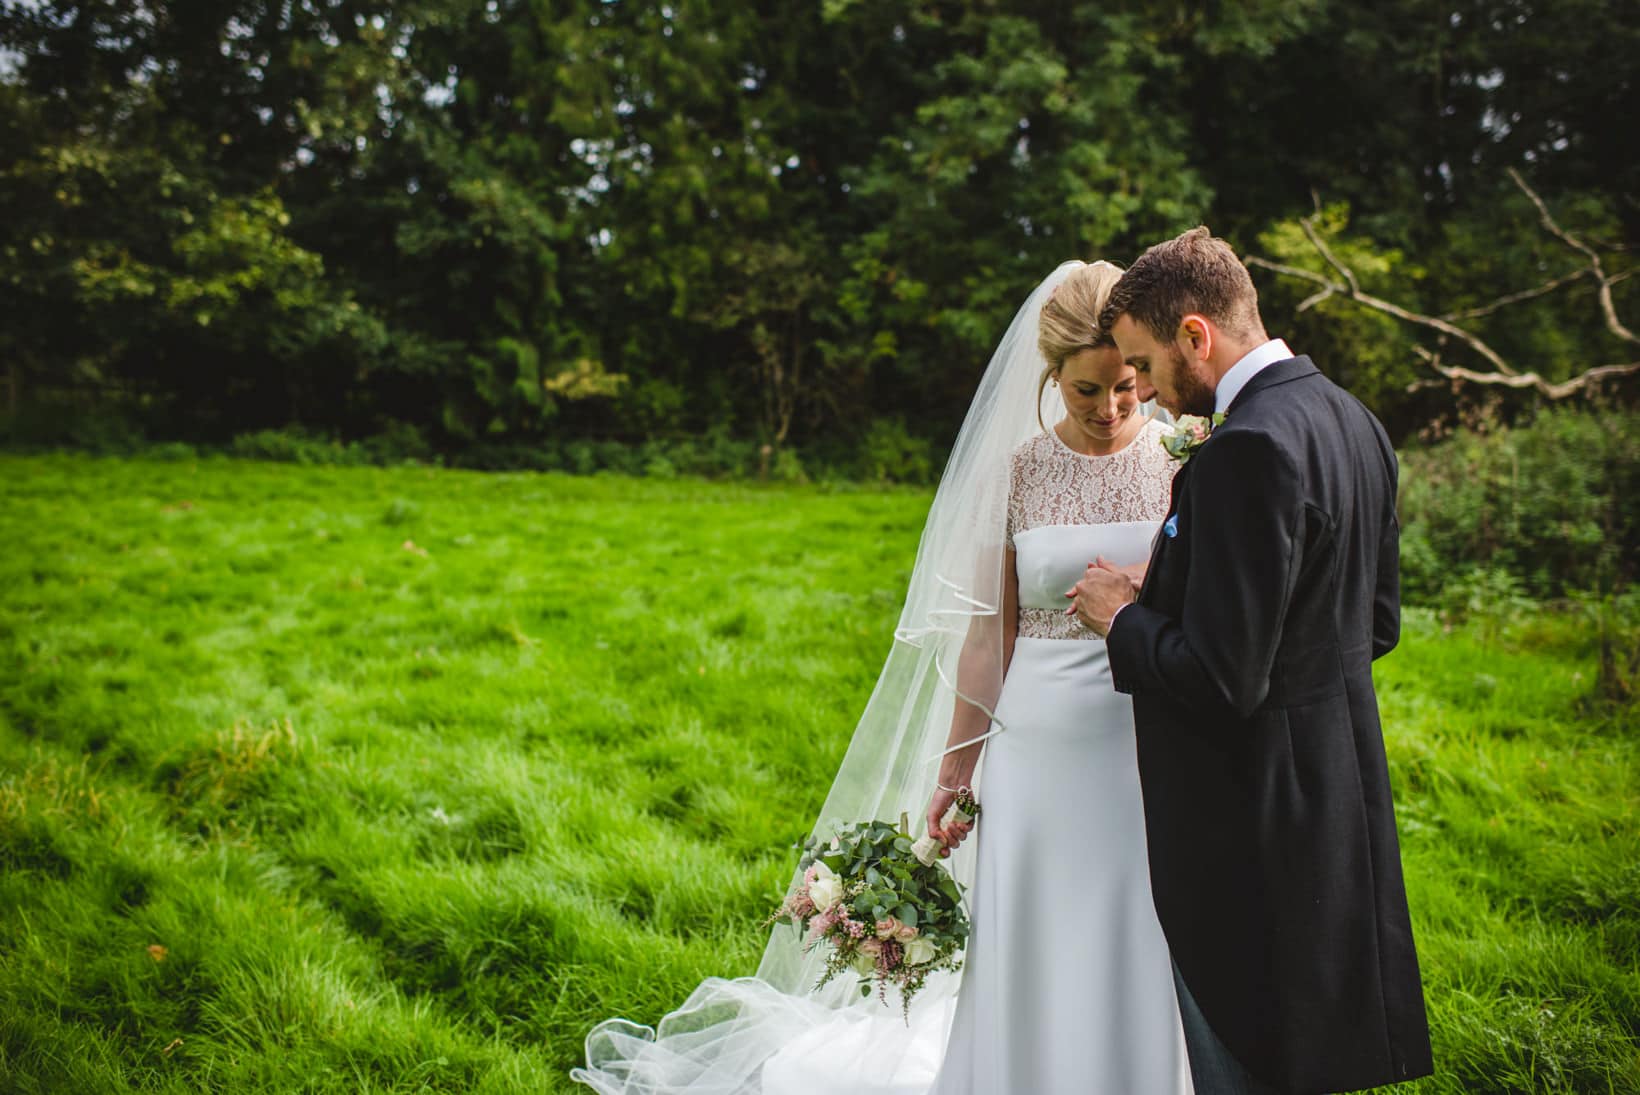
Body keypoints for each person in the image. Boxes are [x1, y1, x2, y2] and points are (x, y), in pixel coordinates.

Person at [572, 260, 1190, 1095]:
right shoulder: (1021, 473)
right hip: (1041, 745)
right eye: (1087, 392)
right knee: (1035, 930)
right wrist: (956, 772)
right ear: (1051, 378)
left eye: (1126, 386)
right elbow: (988, 637)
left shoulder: (1183, 459)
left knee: (1138, 924)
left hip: (1146, 736)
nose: (1113, 410)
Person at [1069, 227, 1434, 1095]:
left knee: (1247, 1050)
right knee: (1312, 1047)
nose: (1148, 395)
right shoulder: (1354, 419)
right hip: (1339, 792)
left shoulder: (1245, 450)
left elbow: (1222, 676)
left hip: (1250, 813)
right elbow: (1373, 623)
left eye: (1146, 366)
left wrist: (1122, 619)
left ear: (1195, 334)